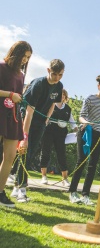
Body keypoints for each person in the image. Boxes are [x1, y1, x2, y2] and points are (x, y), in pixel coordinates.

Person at [11, 59, 65, 202]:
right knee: (24, 152)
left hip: (41, 122)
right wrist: (25, 136)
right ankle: (21, 188)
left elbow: (53, 104)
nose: (57, 78)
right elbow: (29, 112)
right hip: (27, 119)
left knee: (30, 154)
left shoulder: (59, 86)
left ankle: (17, 187)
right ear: (48, 70)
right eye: (54, 74)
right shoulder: (39, 84)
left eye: (60, 75)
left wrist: (46, 119)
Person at [68, 75, 100, 206]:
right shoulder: (90, 98)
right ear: (98, 85)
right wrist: (87, 123)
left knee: (93, 165)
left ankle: (85, 195)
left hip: (98, 134)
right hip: (85, 132)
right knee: (81, 161)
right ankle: (72, 192)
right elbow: (81, 116)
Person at [0, 41, 32, 207]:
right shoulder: (1, 67)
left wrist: (18, 97)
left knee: (10, 156)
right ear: (15, 53)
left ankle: (0, 191)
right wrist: (9, 94)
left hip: (12, 117)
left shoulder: (21, 75)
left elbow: (17, 95)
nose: (25, 60)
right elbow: (9, 93)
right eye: (24, 56)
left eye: (28, 58)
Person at [40, 89, 78, 187]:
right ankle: (44, 176)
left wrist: (77, 131)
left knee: (61, 155)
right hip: (48, 132)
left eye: (63, 95)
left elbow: (72, 122)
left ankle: (65, 178)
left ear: (65, 97)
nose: (61, 96)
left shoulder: (68, 109)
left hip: (61, 134)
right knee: (45, 153)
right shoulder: (50, 105)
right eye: (60, 95)